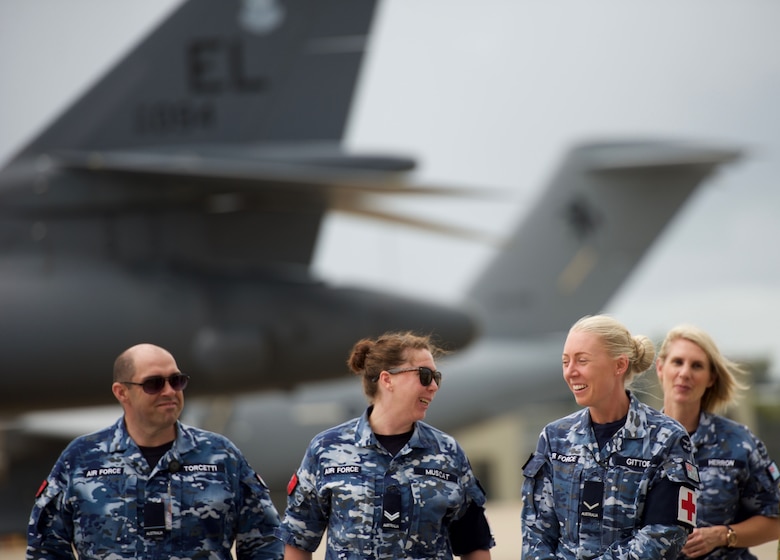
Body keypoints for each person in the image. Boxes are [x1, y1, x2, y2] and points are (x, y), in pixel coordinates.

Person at [26, 343, 283, 560]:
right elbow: (45, 548)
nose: (169, 391)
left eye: (177, 381)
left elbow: (265, 542)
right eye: (154, 384)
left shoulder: (221, 456)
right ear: (122, 392)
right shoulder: (81, 458)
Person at [275, 331, 494, 559]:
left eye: (436, 377)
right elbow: (297, 539)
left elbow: (474, 543)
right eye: (425, 375)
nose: (434, 387)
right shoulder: (326, 449)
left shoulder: (448, 453)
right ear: (387, 379)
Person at [521, 314, 700, 559]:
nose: (571, 372)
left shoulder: (667, 439)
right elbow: (535, 532)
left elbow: (665, 534)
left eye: (582, 360)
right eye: (565, 362)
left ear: (619, 365)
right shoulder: (555, 437)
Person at [656, 324, 780, 559]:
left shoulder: (739, 443)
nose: (685, 373)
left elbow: (775, 520)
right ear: (661, 368)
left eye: (697, 365)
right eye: (677, 362)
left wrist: (724, 535)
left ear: (711, 377)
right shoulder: (636, 442)